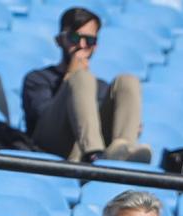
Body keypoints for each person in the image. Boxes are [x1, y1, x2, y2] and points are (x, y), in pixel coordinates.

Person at [21, 7, 147, 163]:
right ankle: (93, 153)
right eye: (74, 38)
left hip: (86, 147)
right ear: (60, 40)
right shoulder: (37, 78)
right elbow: (41, 117)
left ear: (96, 46)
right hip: (50, 146)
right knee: (82, 78)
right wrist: (72, 76)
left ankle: (124, 150)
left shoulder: (101, 86)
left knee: (127, 80)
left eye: (89, 40)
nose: (82, 45)